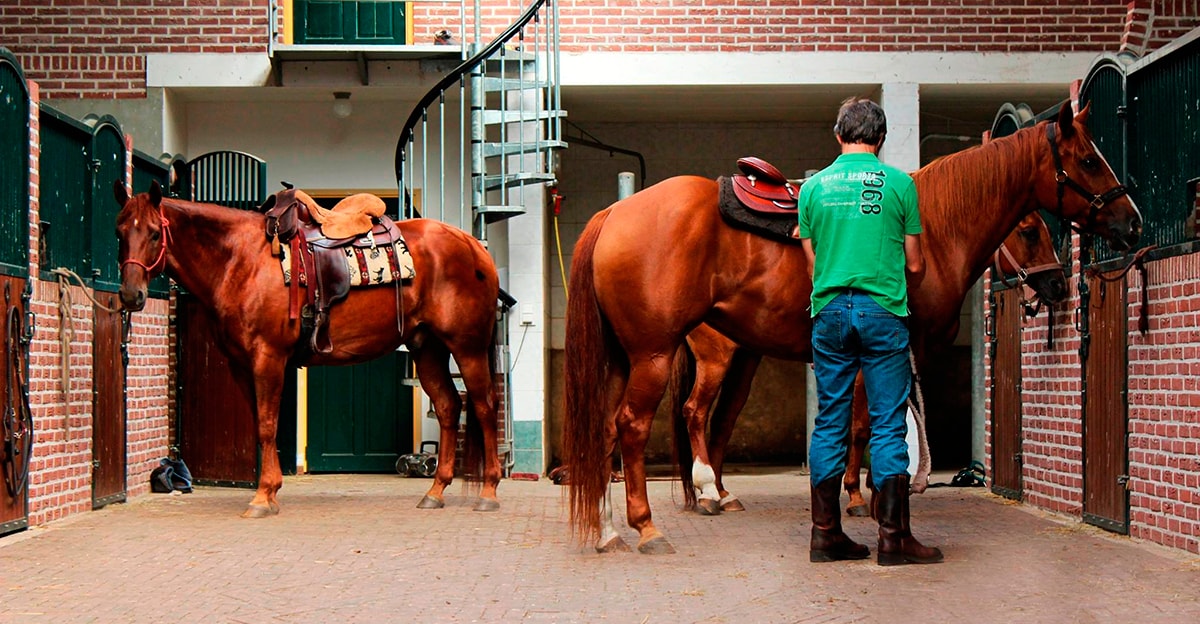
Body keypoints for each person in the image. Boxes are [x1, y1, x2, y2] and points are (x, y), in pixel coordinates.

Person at [797, 97, 943, 566]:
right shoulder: (900, 184)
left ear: (838, 134)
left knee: (830, 423)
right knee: (885, 423)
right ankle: (893, 539)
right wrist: (892, 285)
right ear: (881, 140)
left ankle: (825, 535)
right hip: (883, 312)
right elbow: (916, 263)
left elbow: (813, 265)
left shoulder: (812, 189)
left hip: (830, 313)